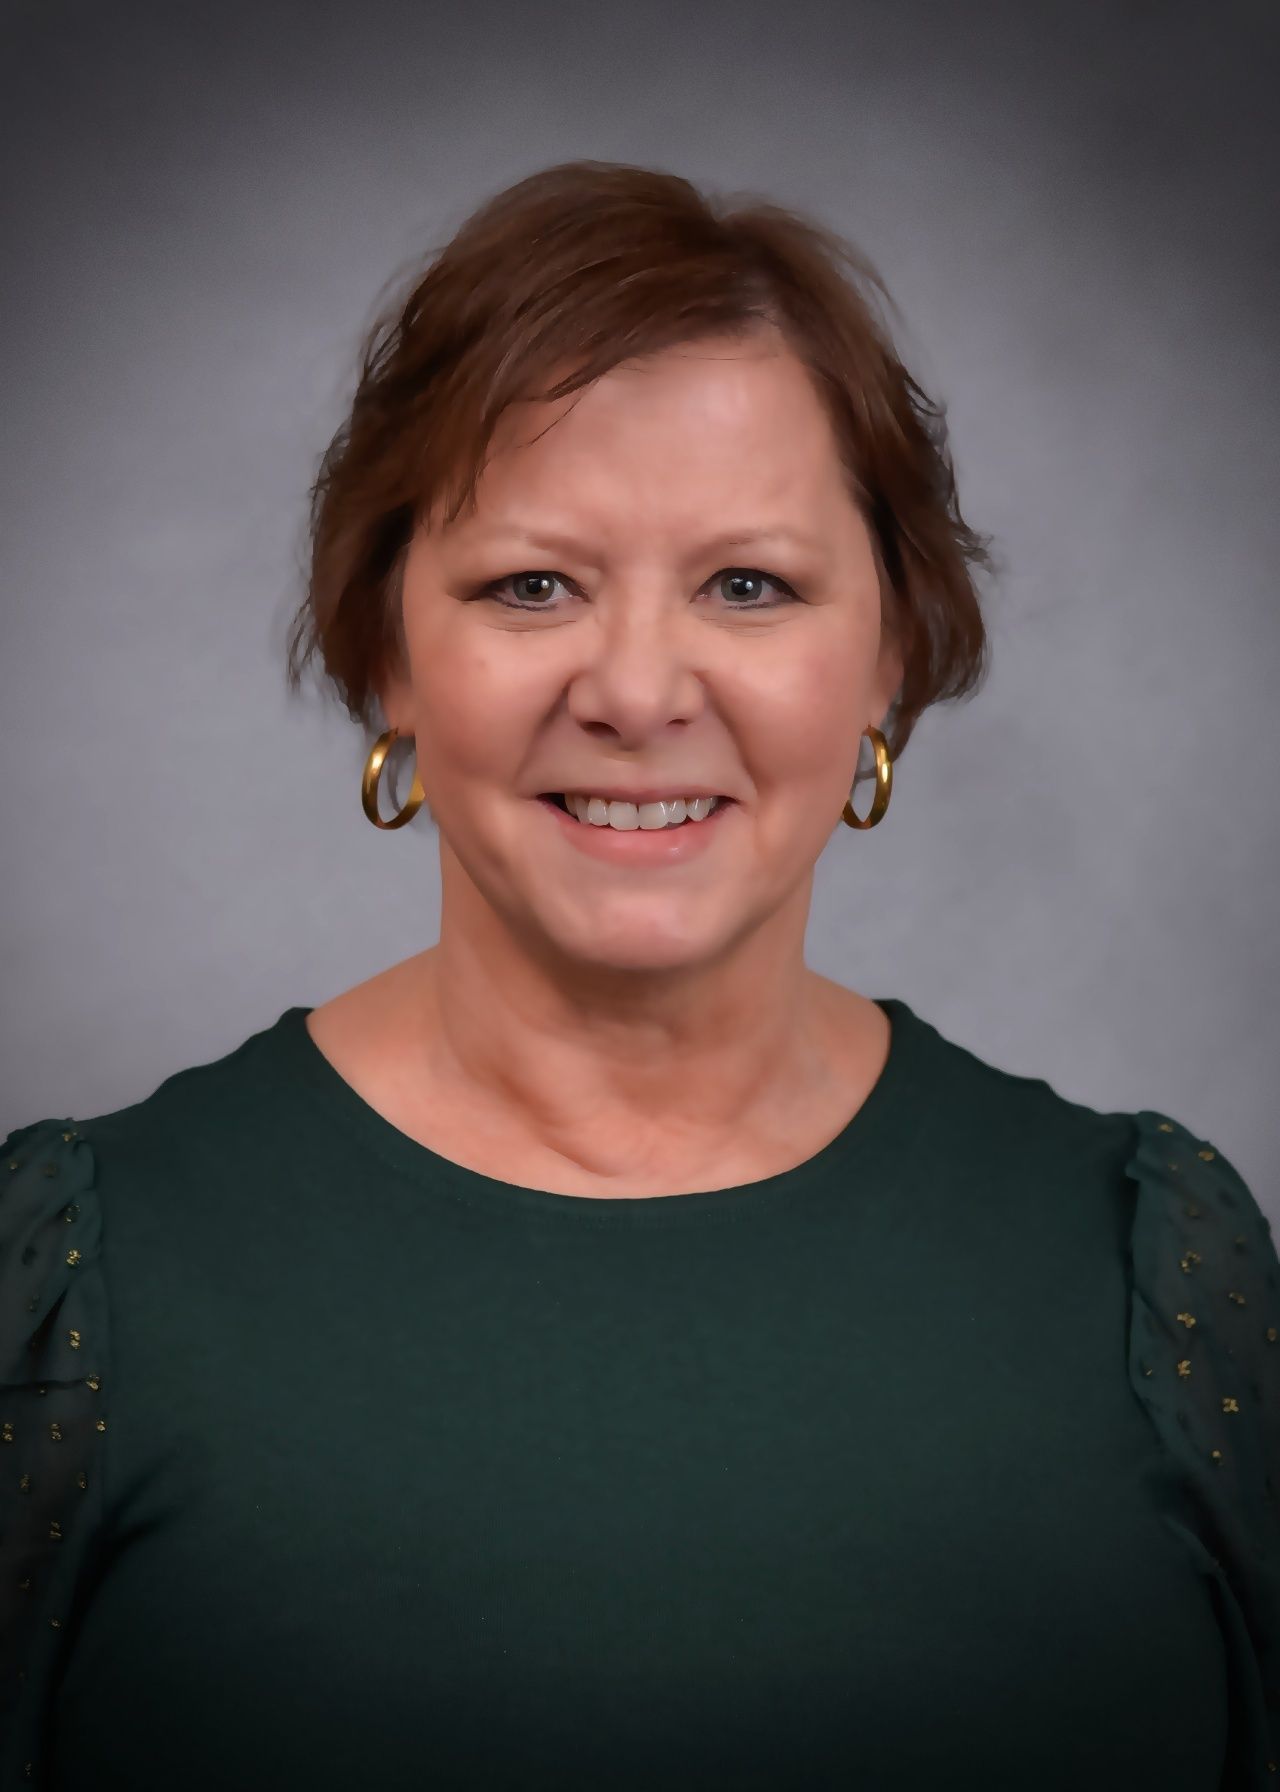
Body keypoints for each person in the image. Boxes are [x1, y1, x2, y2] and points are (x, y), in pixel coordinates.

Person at [2, 159, 1277, 1792]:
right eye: (532, 584)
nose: (637, 687)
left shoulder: (1154, 1276)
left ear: (891, 652)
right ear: (388, 649)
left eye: (749, 584)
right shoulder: (71, 1288)